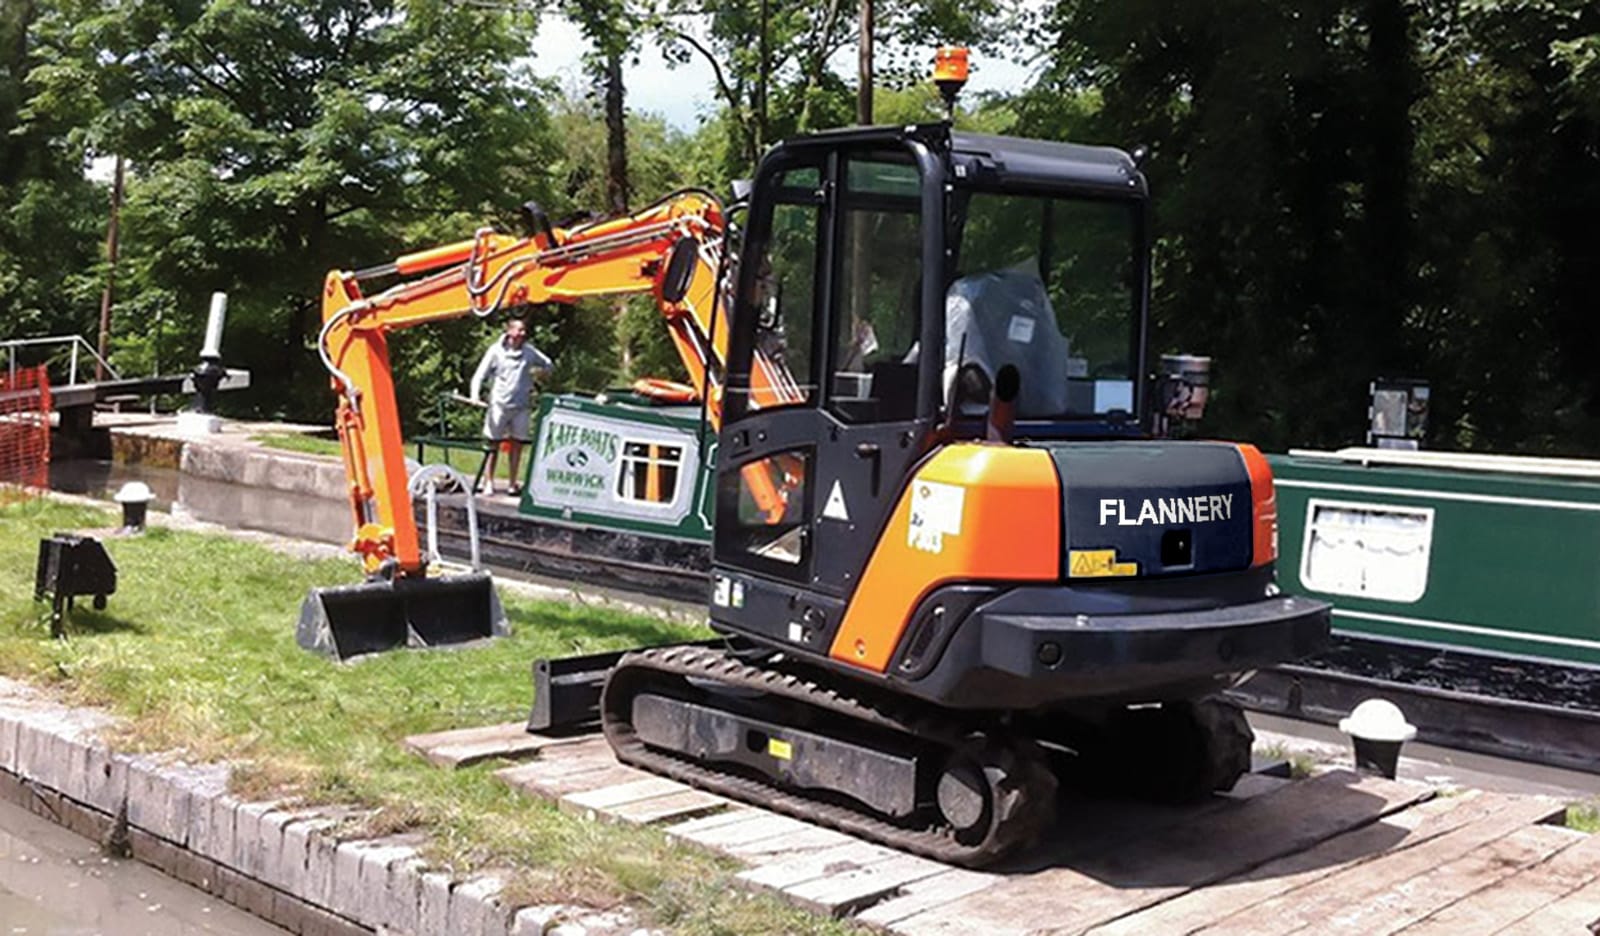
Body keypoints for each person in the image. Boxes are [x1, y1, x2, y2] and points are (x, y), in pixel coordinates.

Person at [469, 318, 552, 494]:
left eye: (524, 330)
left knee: (517, 444)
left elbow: (548, 364)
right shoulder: (495, 351)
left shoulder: (529, 352)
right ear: (510, 332)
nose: (522, 334)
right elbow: (479, 376)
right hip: (499, 405)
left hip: (521, 405)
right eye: (519, 330)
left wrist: (541, 373)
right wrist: (474, 396)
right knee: (493, 443)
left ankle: (512, 483)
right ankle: (488, 481)